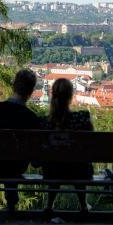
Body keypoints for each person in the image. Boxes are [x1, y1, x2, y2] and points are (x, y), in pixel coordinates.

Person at [0, 69, 42, 212]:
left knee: (5, 161)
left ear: (13, 86)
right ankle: (12, 204)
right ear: (31, 92)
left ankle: (9, 204)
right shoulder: (32, 118)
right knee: (12, 164)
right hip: (17, 167)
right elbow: (36, 159)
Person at [42, 78, 94, 213]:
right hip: (80, 171)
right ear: (71, 96)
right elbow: (91, 145)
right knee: (78, 162)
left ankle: (49, 205)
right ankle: (83, 205)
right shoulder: (83, 118)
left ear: (53, 95)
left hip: (51, 171)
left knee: (56, 163)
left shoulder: (45, 122)